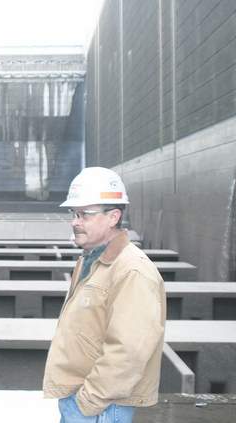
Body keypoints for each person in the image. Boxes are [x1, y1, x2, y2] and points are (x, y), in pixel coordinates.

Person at [42, 167, 166, 423]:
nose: (75, 222)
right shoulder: (93, 261)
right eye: (74, 213)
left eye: (85, 214)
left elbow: (129, 351)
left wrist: (88, 401)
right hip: (83, 400)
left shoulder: (132, 270)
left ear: (113, 217)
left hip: (101, 408)